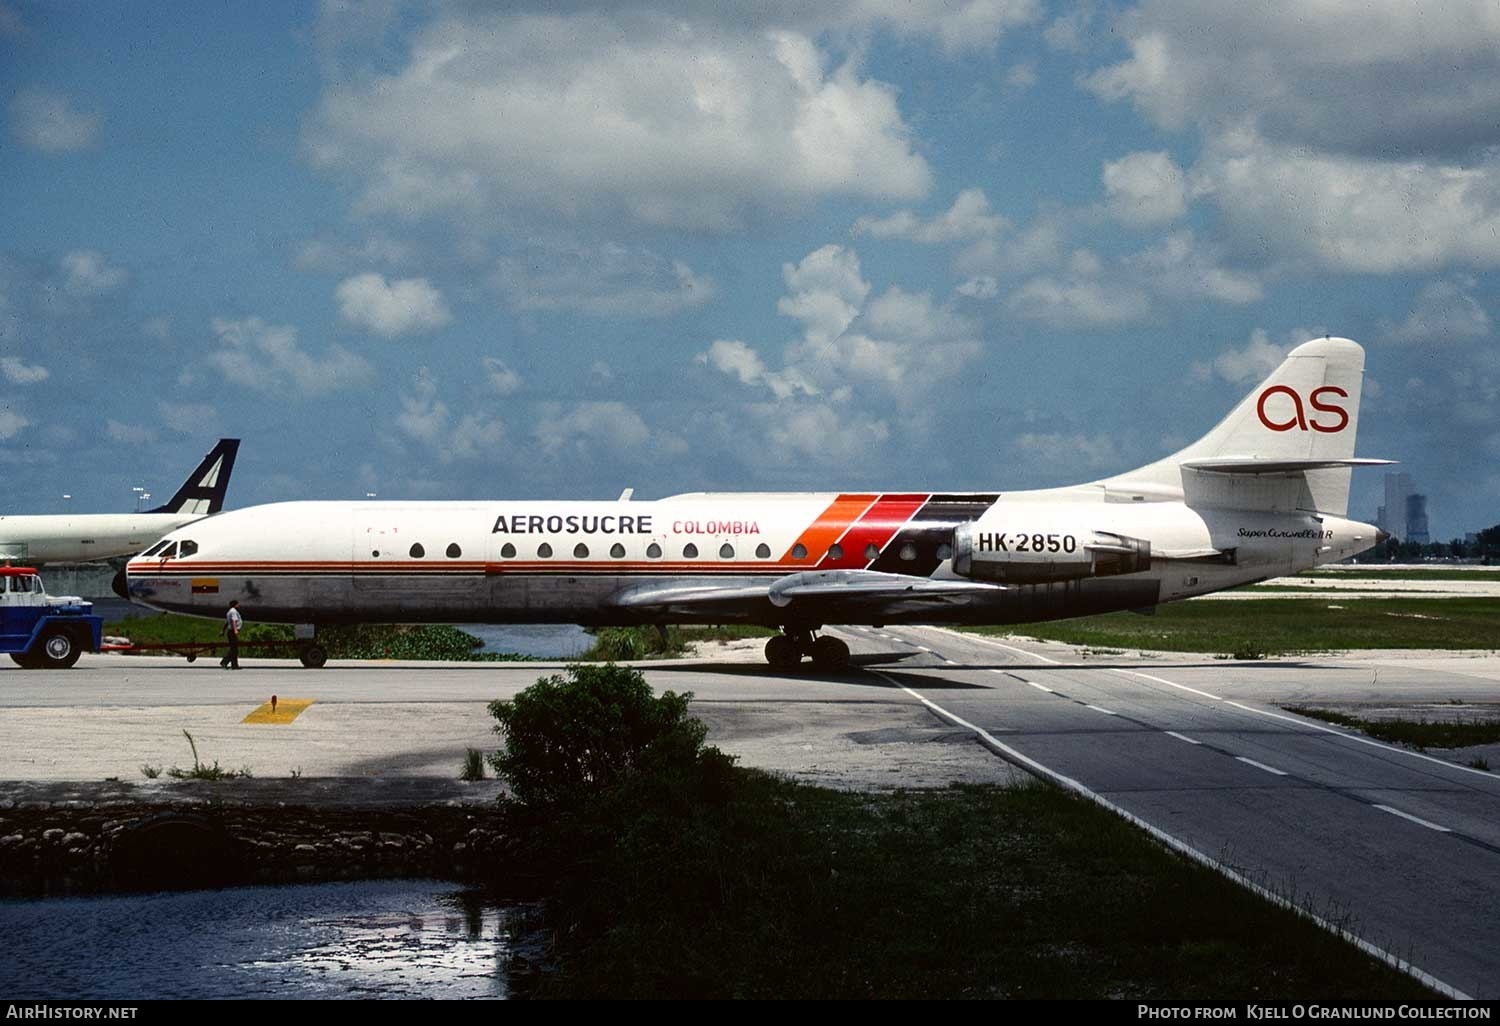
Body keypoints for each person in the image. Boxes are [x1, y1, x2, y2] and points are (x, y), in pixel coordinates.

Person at [220, 600, 242, 670]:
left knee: (234, 649)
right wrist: (235, 630)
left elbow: (227, 622)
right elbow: (234, 621)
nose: (239, 605)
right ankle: (225, 662)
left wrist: (223, 630)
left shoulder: (230, 611)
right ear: (235, 605)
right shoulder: (233, 611)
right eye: (238, 604)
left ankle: (234, 665)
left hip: (230, 631)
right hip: (232, 632)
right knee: (234, 649)